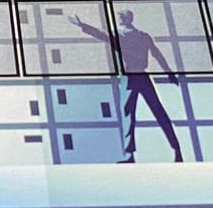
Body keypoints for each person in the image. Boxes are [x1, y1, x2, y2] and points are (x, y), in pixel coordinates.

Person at [71, 10, 184, 163]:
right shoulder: (143, 36)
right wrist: (169, 73)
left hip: (130, 78)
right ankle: (177, 150)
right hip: (143, 77)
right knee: (158, 112)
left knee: (129, 116)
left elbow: (99, 34)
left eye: (120, 18)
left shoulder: (120, 36)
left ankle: (131, 155)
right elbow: (157, 55)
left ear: (124, 20)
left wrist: (81, 25)